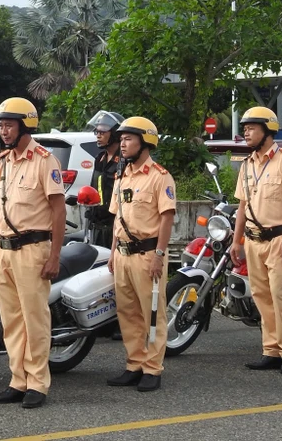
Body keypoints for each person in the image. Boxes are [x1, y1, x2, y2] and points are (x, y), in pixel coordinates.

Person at [0, 97, 65, 410]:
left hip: (33, 249)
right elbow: (0, 208)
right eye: (1, 125)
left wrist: (54, 256)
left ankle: (37, 383)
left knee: (34, 320)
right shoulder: (4, 162)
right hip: (4, 250)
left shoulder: (45, 160)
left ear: (25, 125)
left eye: (9, 124)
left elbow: (58, 211)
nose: (3, 130)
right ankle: (17, 380)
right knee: (11, 321)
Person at [229, 106, 282, 375]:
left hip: (278, 241)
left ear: (267, 130)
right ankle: (270, 350)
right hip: (252, 241)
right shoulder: (247, 164)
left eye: (251, 128)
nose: (246, 132)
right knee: (261, 297)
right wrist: (236, 241)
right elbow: (242, 207)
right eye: (245, 128)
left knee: (281, 297)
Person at [105, 117, 175, 392]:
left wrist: (159, 254)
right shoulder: (121, 175)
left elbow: (167, 219)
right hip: (123, 255)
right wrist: (112, 252)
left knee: (152, 313)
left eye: (128, 139)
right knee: (128, 313)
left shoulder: (160, 176)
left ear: (145, 142)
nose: (122, 144)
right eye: (121, 139)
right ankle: (134, 364)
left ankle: (152, 368)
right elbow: (117, 219)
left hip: (148, 255)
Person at [83, 110, 124, 248]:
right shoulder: (99, 159)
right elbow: (94, 188)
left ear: (115, 134)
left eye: (103, 132)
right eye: (97, 132)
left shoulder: (124, 161)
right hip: (97, 225)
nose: (98, 136)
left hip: (114, 225)